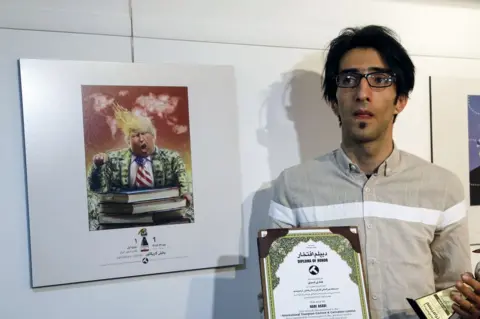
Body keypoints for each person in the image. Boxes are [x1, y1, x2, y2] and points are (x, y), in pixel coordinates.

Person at [265, 25, 472, 319]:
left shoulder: (442, 187)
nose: (362, 93)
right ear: (334, 101)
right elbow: (275, 296)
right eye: (348, 79)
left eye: (379, 79)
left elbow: (454, 290)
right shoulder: (293, 187)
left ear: (400, 100)